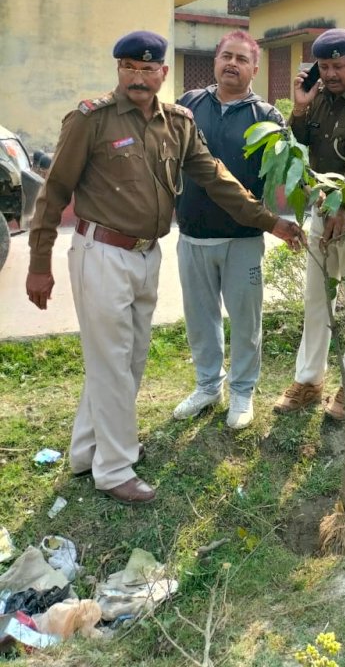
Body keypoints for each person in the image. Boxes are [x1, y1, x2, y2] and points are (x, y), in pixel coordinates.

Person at [26, 31, 303, 506]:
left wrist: (270, 221)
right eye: (129, 66)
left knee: (126, 361)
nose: (138, 75)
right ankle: (114, 468)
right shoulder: (90, 119)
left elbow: (215, 178)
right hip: (102, 254)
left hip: (145, 254)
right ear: (119, 70)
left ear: (163, 74)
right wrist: (38, 263)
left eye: (148, 68)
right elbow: (53, 194)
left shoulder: (176, 122)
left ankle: (85, 451)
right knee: (113, 361)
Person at [273, 28, 345, 420]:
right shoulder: (318, 98)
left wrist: (344, 205)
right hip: (322, 213)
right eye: (324, 66)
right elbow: (299, 143)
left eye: (340, 66)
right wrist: (301, 106)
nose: (332, 73)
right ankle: (309, 381)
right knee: (315, 299)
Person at [172, 30, 285, 430]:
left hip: (242, 238)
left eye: (241, 59)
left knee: (245, 320)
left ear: (255, 68)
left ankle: (242, 390)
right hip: (192, 235)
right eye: (225, 56)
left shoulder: (267, 118)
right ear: (215, 61)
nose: (231, 64)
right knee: (200, 318)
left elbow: (280, 178)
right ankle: (207, 385)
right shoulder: (188, 105)